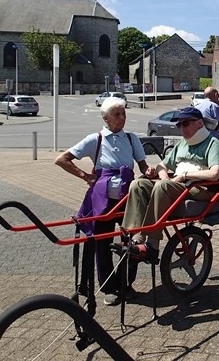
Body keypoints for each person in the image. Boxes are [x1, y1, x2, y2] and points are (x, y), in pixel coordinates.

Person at [55, 97, 152, 306]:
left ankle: (125, 283)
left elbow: (143, 165)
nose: (122, 118)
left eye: (124, 113)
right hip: (103, 199)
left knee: (132, 241)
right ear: (105, 118)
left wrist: (148, 171)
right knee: (102, 243)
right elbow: (62, 159)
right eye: (117, 114)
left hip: (128, 196)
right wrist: (84, 176)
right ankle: (108, 288)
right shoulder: (95, 139)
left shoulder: (131, 138)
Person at [117, 107, 219, 262]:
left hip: (199, 188)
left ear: (200, 123)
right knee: (138, 184)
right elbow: (162, 165)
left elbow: (214, 174)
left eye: (186, 123)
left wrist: (184, 175)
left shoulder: (212, 144)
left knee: (162, 186)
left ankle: (152, 245)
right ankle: (134, 237)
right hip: (179, 186)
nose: (182, 128)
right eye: (179, 125)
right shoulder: (182, 144)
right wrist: (164, 179)